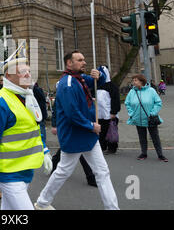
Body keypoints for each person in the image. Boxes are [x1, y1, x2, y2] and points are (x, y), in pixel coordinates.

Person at [34, 50, 119, 210]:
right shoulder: (67, 84)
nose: (84, 62)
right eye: (80, 60)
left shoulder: (80, 79)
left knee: (102, 172)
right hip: (74, 136)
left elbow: (99, 83)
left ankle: (112, 208)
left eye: (84, 60)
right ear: (69, 63)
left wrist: (98, 75)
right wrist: (91, 125)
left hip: (88, 136)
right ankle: (42, 202)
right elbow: (72, 114)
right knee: (62, 172)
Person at [0, 43, 52, 210]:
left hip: (24, 171)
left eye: (29, 71)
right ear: (8, 77)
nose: (28, 74)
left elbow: (32, 129)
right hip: (7, 173)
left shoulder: (27, 97)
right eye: (22, 72)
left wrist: (44, 150)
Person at [50, 98, 97, 187]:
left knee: (79, 149)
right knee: (80, 150)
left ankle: (54, 162)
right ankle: (90, 176)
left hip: (82, 125)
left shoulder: (83, 87)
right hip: (69, 126)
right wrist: (54, 124)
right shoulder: (64, 86)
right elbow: (56, 109)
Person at [125, 74, 168, 162]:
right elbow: (127, 103)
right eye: (133, 80)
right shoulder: (132, 92)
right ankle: (143, 153)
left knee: (155, 137)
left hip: (150, 118)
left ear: (141, 81)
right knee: (142, 137)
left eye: (135, 80)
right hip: (138, 118)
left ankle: (160, 155)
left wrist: (153, 113)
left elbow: (158, 102)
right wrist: (132, 113)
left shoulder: (151, 90)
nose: (133, 82)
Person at [97, 66, 121, 155]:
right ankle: (102, 147)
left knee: (111, 132)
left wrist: (114, 112)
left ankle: (112, 148)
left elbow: (116, 100)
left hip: (109, 114)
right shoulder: (95, 85)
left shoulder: (112, 86)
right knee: (101, 132)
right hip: (99, 114)